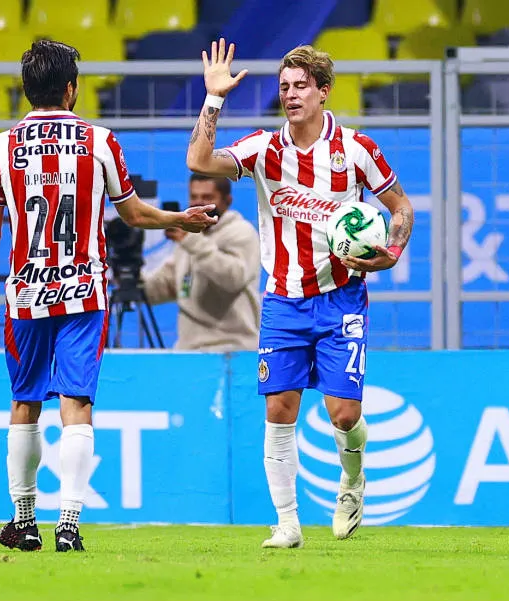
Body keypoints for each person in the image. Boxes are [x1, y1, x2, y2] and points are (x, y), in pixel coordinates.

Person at [0, 40, 216, 552]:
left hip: (26, 295)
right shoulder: (99, 141)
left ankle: (24, 520)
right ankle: (68, 522)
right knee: (76, 402)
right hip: (84, 292)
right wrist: (180, 219)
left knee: (25, 402)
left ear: (26, 89)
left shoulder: (1, 147)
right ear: (70, 88)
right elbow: (133, 215)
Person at [186, 40, 414, 548]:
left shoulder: (355, 150)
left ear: (323, 91)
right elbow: (198, 159)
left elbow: (401, 208)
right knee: (279, 410)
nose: (290, 95)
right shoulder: (264, 149)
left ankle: (352, 479)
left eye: (301, 86)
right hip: (283, 300)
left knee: (344, 414)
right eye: (284, 87)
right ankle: (288, 524)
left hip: (341, 297)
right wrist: (214, 98)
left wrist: (392, 251)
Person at [143, 174, 260, 351]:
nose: (199, 203)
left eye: (207, 197)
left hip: (233, 350)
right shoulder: (189, 237)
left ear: (227, 201)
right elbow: (162, 287)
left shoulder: (241, 232)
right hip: (189, 352)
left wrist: (192, 241)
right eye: (194, 197)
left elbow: (233, 279)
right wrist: (130, 274)